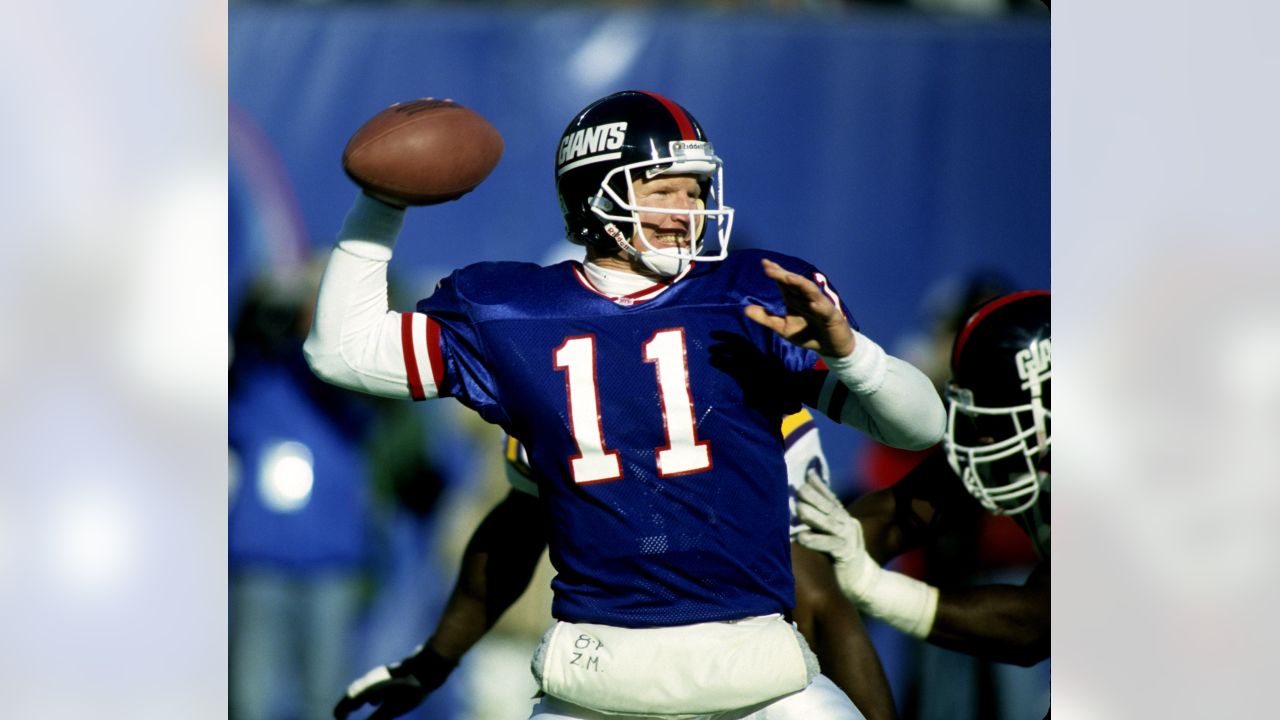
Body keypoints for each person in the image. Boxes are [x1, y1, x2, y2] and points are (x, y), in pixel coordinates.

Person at [304, 89, 945, 720]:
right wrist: (380, 203)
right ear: (595, 195)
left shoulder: (749, 298)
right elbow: (343, 352)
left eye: (695, 190)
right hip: (598, 676)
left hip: (755, 670)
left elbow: (920, 428)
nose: (685, 210)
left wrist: (850, 353)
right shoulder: (512, 313)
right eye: (662, 190)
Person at [333, 410, 898, 720]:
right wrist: (436, 658)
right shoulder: (554, 379)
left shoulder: (752, 389)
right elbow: (515, 530)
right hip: (600, 672)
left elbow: (816, 593)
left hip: (744, 672)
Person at [794, 291, 1050, 711]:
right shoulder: (1020, 443)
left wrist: (874, 586)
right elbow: (899, 514)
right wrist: (813, 558)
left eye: (999, 418)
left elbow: (1035, 627)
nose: (982, 435)